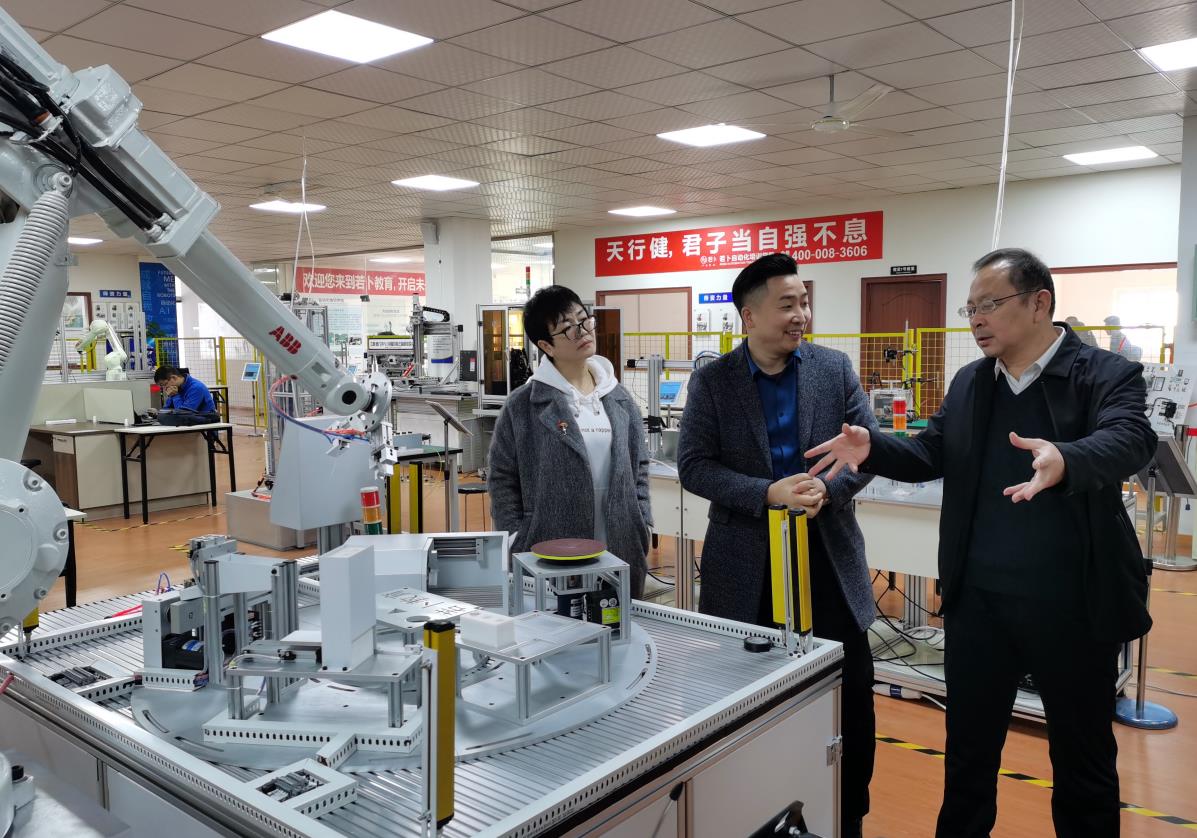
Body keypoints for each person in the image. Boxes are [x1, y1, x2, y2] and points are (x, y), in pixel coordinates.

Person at [806, 248, 1155, 838]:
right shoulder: (972, 382)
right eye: (970, 309)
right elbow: (932, 452)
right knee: (968, 757)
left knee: (1084, 762)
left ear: (1039, 303)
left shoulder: (1104, 374)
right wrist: (875, 447)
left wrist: (1067, 457)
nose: (976, 319)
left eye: (989, 304)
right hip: (980, 606)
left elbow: (1131, 438)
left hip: (1074, 607)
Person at [677, 253, 879, 838]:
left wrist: (827, 490)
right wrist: (766, 493)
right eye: (787, 304)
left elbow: (866, 450)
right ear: (749, 317)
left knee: (850, 699)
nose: (801, 315)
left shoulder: (832, 369)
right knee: (748, 702)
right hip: (747, 568)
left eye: (804, 303)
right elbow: (694, 466)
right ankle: (754, 814)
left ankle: (847, 816)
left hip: (827, 560)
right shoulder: (715, 381)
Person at [488, 285, 652, 596]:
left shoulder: (617, 396)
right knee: (558, 619)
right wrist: (515, 536)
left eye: (583, 319)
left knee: (618, 619)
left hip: (620, 542)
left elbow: (639, 465)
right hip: (548, 544)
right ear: (545, 346)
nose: (582, 331)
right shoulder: (523, 405)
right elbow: (502, 477)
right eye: (567, 328)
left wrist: (642, 520)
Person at [154, 365, 219, 424]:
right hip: (188, 423)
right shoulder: (176, 388)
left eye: (165, 384)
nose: (165, 388)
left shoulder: (196, 387)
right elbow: (166, 410)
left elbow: (182, 413)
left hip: (204, 424)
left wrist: (175, 396)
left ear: (174, 378)